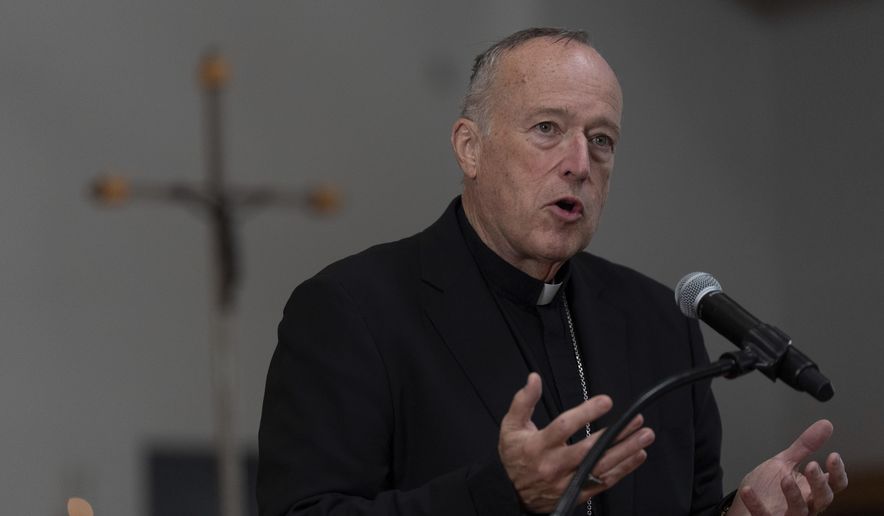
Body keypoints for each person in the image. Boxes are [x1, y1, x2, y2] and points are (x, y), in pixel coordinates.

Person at [257, 28, 847, 516]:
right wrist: (502, 495)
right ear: (470, 148)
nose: (579, 164)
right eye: (547, 130)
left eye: (601, 140)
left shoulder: (659, 324)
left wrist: (739, 515)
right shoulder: (353, 309)